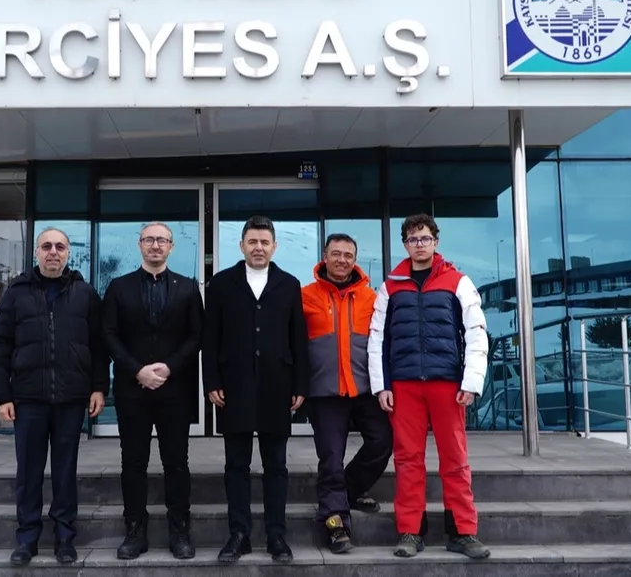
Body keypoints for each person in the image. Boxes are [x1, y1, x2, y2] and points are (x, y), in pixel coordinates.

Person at [367, 213, 491, 560]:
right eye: (412, 239)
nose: (419, 244)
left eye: (424, 238)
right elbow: (377, 339)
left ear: (435, 241)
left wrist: (471, 382)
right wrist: (381, 385)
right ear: (405, 244)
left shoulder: (458, 282)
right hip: (404, 386)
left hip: (447, 385)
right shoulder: (390, 286)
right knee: (407, 460)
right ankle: (410, 531)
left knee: (455, 459)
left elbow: (476, 333)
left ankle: (463, 532)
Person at [0, 227, 108, 567]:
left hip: (71, 398)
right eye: (47, 246)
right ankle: (27, 538)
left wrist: (98, 387)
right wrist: (2, 395)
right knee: (29, 472)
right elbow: (0, 346)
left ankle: (65, 538)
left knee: (65, 471)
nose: (53, 252)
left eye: (60, 247)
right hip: (28, 399)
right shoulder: (16, 293)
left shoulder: (85, 294)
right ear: (36, 253)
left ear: (68, 253)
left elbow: (99, 347)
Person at [202, 215, 309, 564]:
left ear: (274, 246)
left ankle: (277, 535)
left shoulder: (289, 284)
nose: (258, 248)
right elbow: (209, 337)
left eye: (264, 242)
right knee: (236, 464)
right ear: (241, 245)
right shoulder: (221, 284)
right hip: (234, 388)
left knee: (276, 465)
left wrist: (300, 384)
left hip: (278, 387)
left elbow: (298, 338)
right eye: (252, 242)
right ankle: (239, 534)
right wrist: (211, 381)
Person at [103, 222, 204, 560]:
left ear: (171, 246)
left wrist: (169, 367)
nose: (156, 245)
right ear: (140, 245)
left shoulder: (188, 288)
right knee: (133, 462)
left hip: (175, 390)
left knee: (177, 462)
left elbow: (196, 335)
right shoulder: (119, 287)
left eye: (162, 240)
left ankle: (180, 530)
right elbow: (109, 335)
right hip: (132, 390)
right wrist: (137, 370)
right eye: (149, 240)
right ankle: (135, 530)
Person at [301, 233, 393, 554]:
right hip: (324, 392)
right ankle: (335, 522)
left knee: (382, 442)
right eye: (336, 253)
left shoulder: (372, 297)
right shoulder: (305, 296)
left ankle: (349, 489)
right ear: (324, 256)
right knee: (331, 457)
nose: (342, 260)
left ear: (355, 260)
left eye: (348, 255)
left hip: (364, 389)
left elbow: (384, 343)